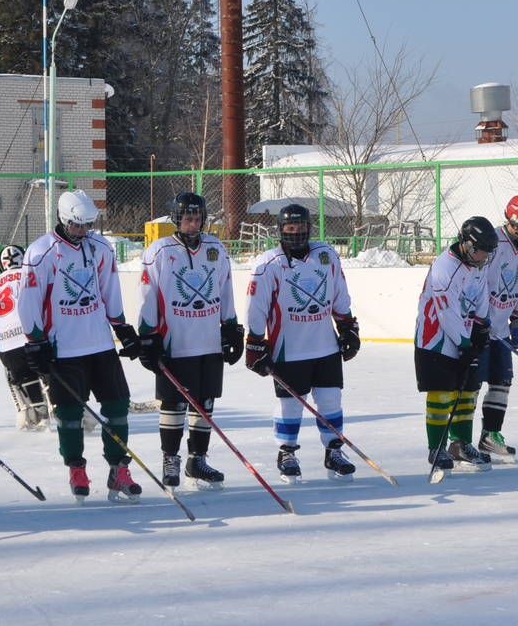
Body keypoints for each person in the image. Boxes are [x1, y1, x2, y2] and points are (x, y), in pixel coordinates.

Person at [19, 189, 143, 503]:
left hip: (99, 343)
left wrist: (122, 327)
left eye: (88, 225)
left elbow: (109, 290)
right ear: (63, 220)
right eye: (77, 226)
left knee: (118, 405)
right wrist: (36, 342)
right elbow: (28, 301)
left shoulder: (100, 247)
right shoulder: (41, 252)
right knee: (69, 412)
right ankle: (76, 466)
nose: (82, 232)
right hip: (64, 347)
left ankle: (119, 468)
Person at [244, 202, 359, 482]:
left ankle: (334, 451)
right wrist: (256, 341)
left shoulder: (326, 255)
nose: (296, 233)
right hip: (288, 348)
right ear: (281, 230)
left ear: (309, 228)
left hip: (325, 345)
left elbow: (339, 293)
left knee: (331, 399)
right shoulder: (269, 264)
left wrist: (347, 326)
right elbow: (255, 306)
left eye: (301, 227)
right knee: (290, 404)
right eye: (290, 228)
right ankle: (287, 452)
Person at [137, 192, 244, 489]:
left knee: (204, 401)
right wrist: (148, 336)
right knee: (173, 403)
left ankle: (197, 460)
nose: (193, 224)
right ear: (176, 219)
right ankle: (170, 458)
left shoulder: (215, 249)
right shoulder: (159, 251)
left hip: (208, 340)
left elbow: (225, 289)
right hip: (175, 341)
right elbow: (147, 297)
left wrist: (231, 327)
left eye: (197, 218)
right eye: (187, 219)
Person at [414, 218, 496, 471]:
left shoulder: (477, 264)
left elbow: (482, 293)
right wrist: (464, 342)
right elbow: (446, 311)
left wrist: (482, 326)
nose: (485, 256)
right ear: (468, 245)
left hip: (465, 336)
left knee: (469, 391)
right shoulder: (445, 267)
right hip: (436, 339)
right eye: (482, 250)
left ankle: (460, 444)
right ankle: (436, 448)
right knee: (443, 393)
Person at [470, 195, 518, 466]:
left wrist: (517, 319)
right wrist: (477, 319)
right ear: (513, 219)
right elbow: (475, 280)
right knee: (472, 385)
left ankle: (490, 435)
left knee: (502, 380)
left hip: (501, 328)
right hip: (479, 327)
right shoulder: (492, 242)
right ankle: (459, 440)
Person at [0, 243, 49, 431]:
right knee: (47, 369)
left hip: (5, 339)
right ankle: (59, 406)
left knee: (21, 375)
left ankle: (35, 411)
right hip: (29, 332)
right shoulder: (29, 275)